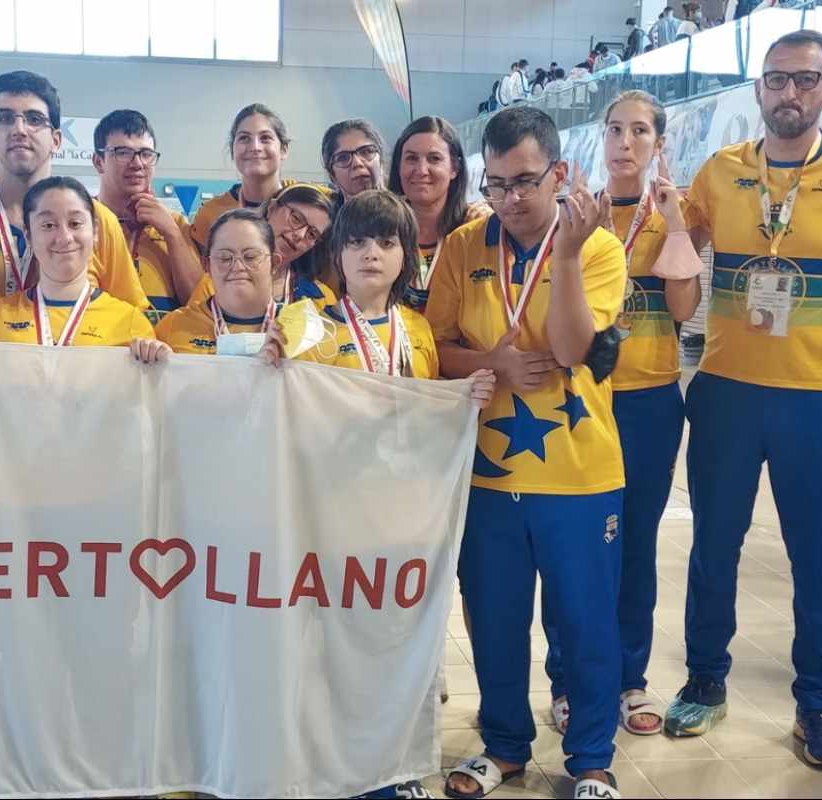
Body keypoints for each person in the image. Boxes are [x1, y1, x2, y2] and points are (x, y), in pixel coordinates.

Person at [662, 30, 822, 769]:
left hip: (819, 395)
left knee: (815, 559)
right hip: (729, 394)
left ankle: (816, 704)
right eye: (776, 80)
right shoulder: (720, 173)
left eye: (805, 81)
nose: (789, 94)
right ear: (758, 89)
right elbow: (668, 236)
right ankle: (705, 680)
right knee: (714, 546)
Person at [259, 189, 495, 800]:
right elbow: (276, 382)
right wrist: (270, 356)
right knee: (326, 645)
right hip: (329, 515)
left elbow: (428, 412)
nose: (372, 253)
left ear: (405, 257)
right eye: (357, 241)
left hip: (402, 517)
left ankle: (395, 765)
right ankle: (320, 759)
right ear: (337, 253)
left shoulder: (417, 329)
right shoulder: (304, 320)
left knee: (399, 646)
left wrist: (464, 397)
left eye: (386, 242)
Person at [426, 105, 627, 799]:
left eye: (526, 181)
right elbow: (433, 351)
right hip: (488, 474)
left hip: (580, 473)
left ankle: (592, 758)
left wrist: (566, 254)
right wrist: (494, 364)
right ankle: (505, 745)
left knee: (586, 621)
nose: (511, 199)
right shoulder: (462, 246)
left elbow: (574, 352)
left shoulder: (597, 247)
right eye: (497, 183)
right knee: (497, 618)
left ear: (559, 174)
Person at [541, 91, 702, 740]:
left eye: (639, 131)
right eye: (615, 129)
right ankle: (568, 679)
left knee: (635, 548)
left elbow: (685, 311)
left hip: (649, 402)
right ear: (600, 140)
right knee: (574, 548)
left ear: (658, 143)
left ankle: (630, 677)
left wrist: (680, 225)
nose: (625, 142)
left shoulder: (672, 214)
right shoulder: (578, 212)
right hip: (583, 398)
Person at [0, 70, 148, 326]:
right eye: (5, 118)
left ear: (56, 140)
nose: (19, 129)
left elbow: (131, 322)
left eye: (34, 119)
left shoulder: (99, 221)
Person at [0, 176, 158, 362]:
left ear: (96, 232)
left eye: (75, 223)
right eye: (48, 225)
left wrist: (156, 363)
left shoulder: (131, 326)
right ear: (29, 235)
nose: (64, 237)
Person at [92, 109, 202, 323]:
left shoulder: (176, 224)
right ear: (99, 161)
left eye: (146, 154)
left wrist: (172, 235)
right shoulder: (82, 222)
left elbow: (198, 304)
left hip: (166, 351)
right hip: (103, 347)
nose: (138, 163)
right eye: (123, 152)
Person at [184, 183, 336, 309]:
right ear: (271, 208)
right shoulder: (218, 280)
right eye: (296, 219)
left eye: (312, 234)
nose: (300, 235)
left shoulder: (321, 297)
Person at [155, 209, 282, 356]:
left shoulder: (303, 334)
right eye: (225, 258)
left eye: (251, 257)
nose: (238, 267)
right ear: (206, 265)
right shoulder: (174, 327)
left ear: (275, 263)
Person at [388, 116, 476, 313]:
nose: (421, 170)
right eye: (411, 158)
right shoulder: (381, 229)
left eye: (434, 159)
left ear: (455, 168)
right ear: (398, 166)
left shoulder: (474, 230)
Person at [188, 104, 293, 254]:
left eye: (265, 138)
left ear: (283, 150)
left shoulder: (302, 204)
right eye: (244, 138)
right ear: (232, 150)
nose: (255, 147)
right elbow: (202, 275)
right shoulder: (210, 214)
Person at [321, 119, 386, 207]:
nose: (357, 163)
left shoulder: (405, 216)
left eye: (366, 152)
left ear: (381, 161)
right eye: (343, 158)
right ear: (332, 175)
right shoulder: (325, 219)